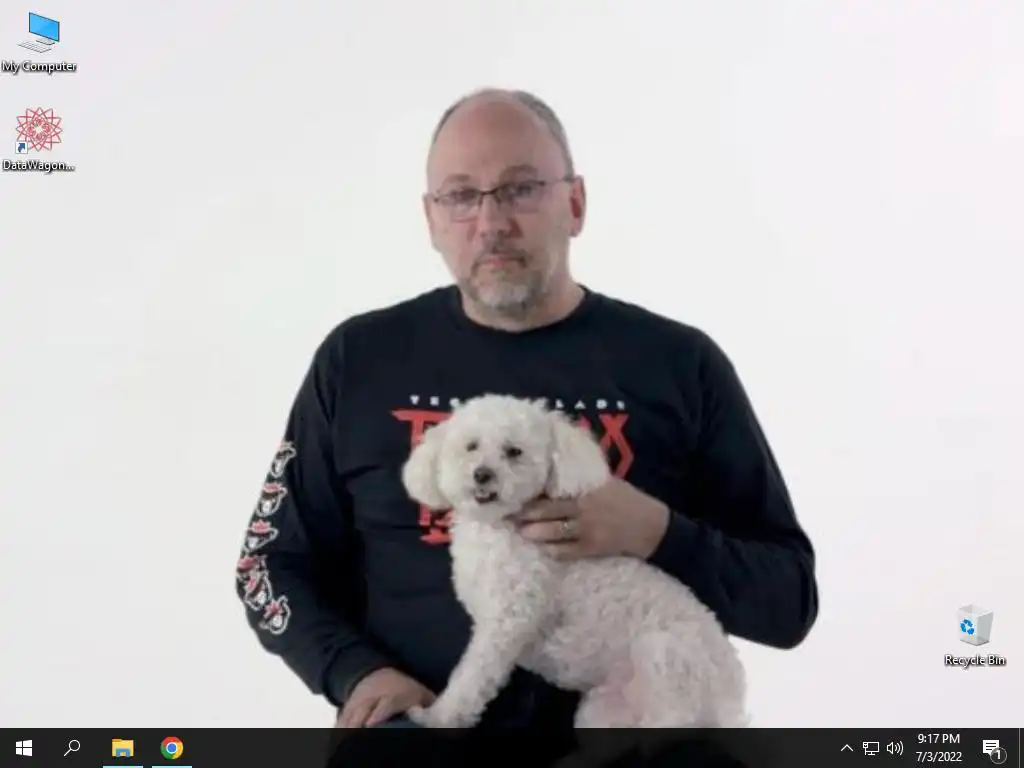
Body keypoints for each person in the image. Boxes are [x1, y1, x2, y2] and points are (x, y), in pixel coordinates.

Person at [235, 87, 818, 758]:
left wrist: (655, 531)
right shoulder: (358, 360)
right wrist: (356, 672)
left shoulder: (680, 364)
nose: (491, 222)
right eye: (461, 195)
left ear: (576, 204)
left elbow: (788, 601)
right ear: (431, 219)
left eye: (520, 189)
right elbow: (267, 564)